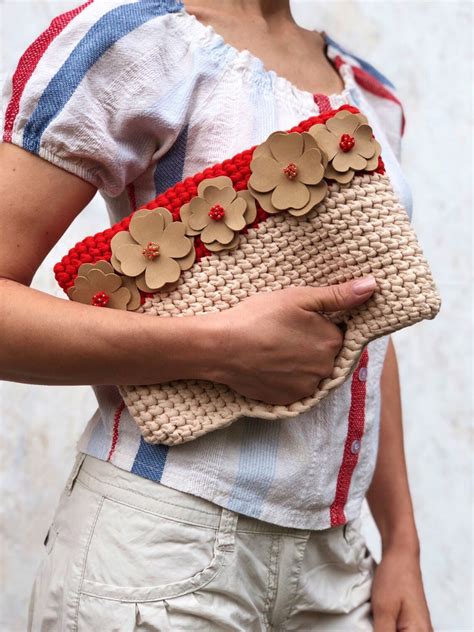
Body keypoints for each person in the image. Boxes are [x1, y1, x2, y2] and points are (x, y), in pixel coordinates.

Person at [0, 0, 433, 629]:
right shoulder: (137, 41)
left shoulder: (371, 93)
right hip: (159, 552)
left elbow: (365, 337)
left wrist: (402, 546)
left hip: (337, 569)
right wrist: (217, 348)